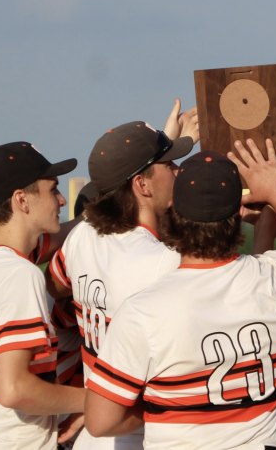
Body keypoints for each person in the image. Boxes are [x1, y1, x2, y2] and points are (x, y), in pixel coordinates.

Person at [84, 140, 276, 449]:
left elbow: (100, 422)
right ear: (237, 213)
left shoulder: (142, 312)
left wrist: (166, 406)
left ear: (175, 213)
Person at [46, 112, 197, 449]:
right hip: (141, 432)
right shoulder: (165, 262)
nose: (178, 171)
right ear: (142, 185)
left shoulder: (81, 237)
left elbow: (52, 288)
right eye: (169, 165)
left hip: (93, 431)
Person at [0, 141, 86, 449]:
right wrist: (96, 401)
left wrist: (101, 210)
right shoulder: (19, 275)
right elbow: (14, 389)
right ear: (22, 200)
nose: (62, 199)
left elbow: (60, 236)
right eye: (52, 189)